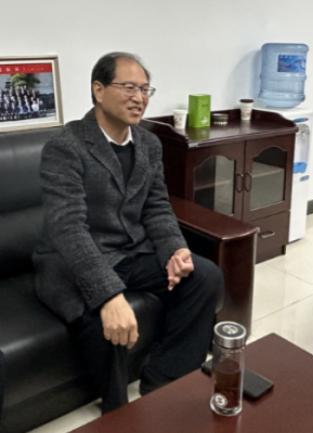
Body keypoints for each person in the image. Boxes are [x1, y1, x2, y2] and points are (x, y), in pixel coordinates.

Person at [33, 52, 224, 413]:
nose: (139, 98)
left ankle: (166, 381)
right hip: (74, 261)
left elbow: (156, 206)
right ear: (99, 90)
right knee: (103, 321)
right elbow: (68, 228)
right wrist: (109, 294)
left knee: (205, 276)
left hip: (131, 253)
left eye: (145, 89)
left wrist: (175, 249)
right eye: (129, 87)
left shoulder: (149, 144)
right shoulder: (66, 147)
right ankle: (117, 412)